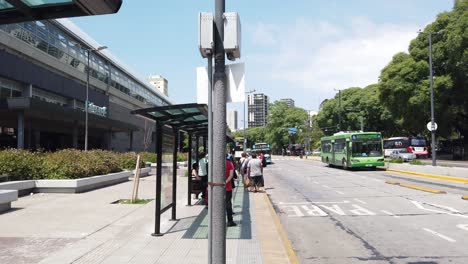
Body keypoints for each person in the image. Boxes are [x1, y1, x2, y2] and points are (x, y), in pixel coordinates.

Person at [225, 154, 237, 227]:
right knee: (228, 204)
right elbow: (231, 175)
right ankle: (230, 221)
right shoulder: (229, 163)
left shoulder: (214, 163)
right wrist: (225, 182)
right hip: (227, 187)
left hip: (216, 188)